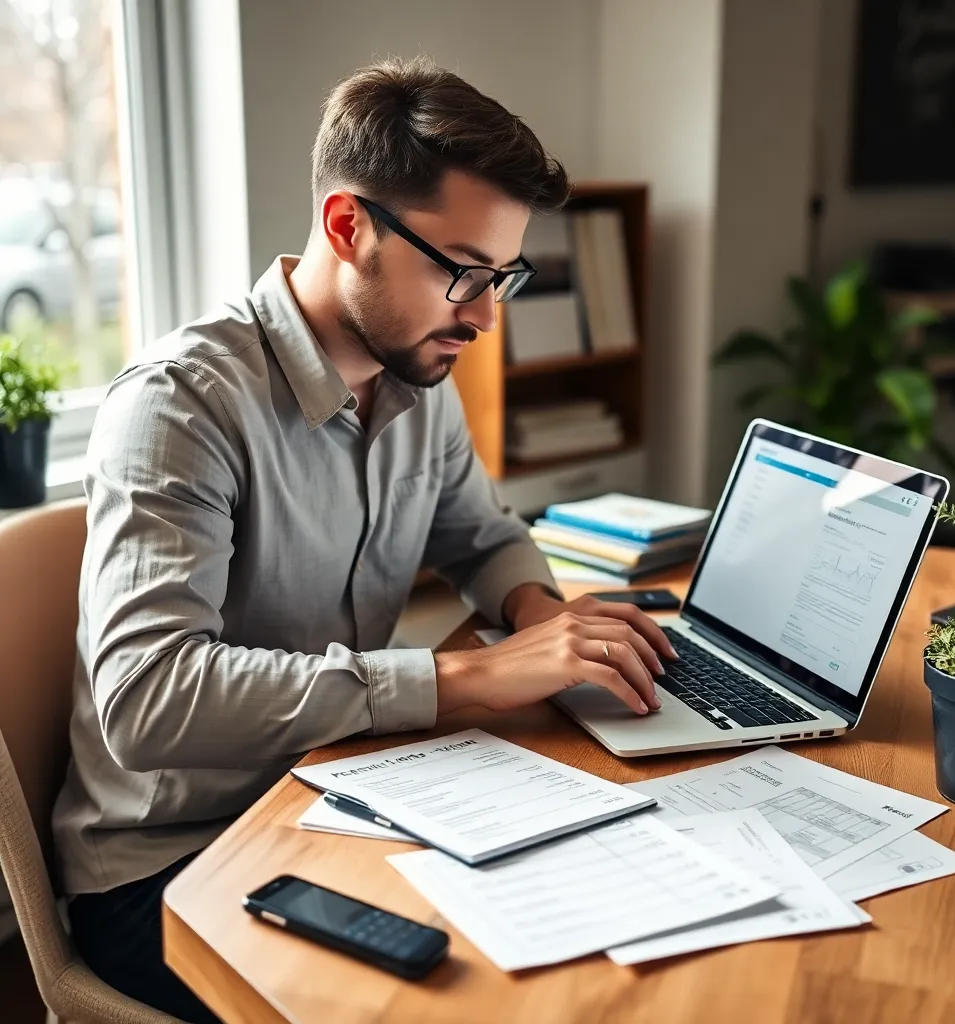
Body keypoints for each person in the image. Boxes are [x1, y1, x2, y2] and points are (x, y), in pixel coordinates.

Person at [53, 56, 676, 1022]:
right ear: (349, 226)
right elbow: (148, 699)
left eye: (502, 278)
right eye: (463, 274)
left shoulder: (419, 370)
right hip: (173, 861)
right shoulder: (181, 407)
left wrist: (549, 623)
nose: (481, 317)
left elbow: (481, 534)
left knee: (593, 942)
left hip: (343, 791)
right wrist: (463, 679)